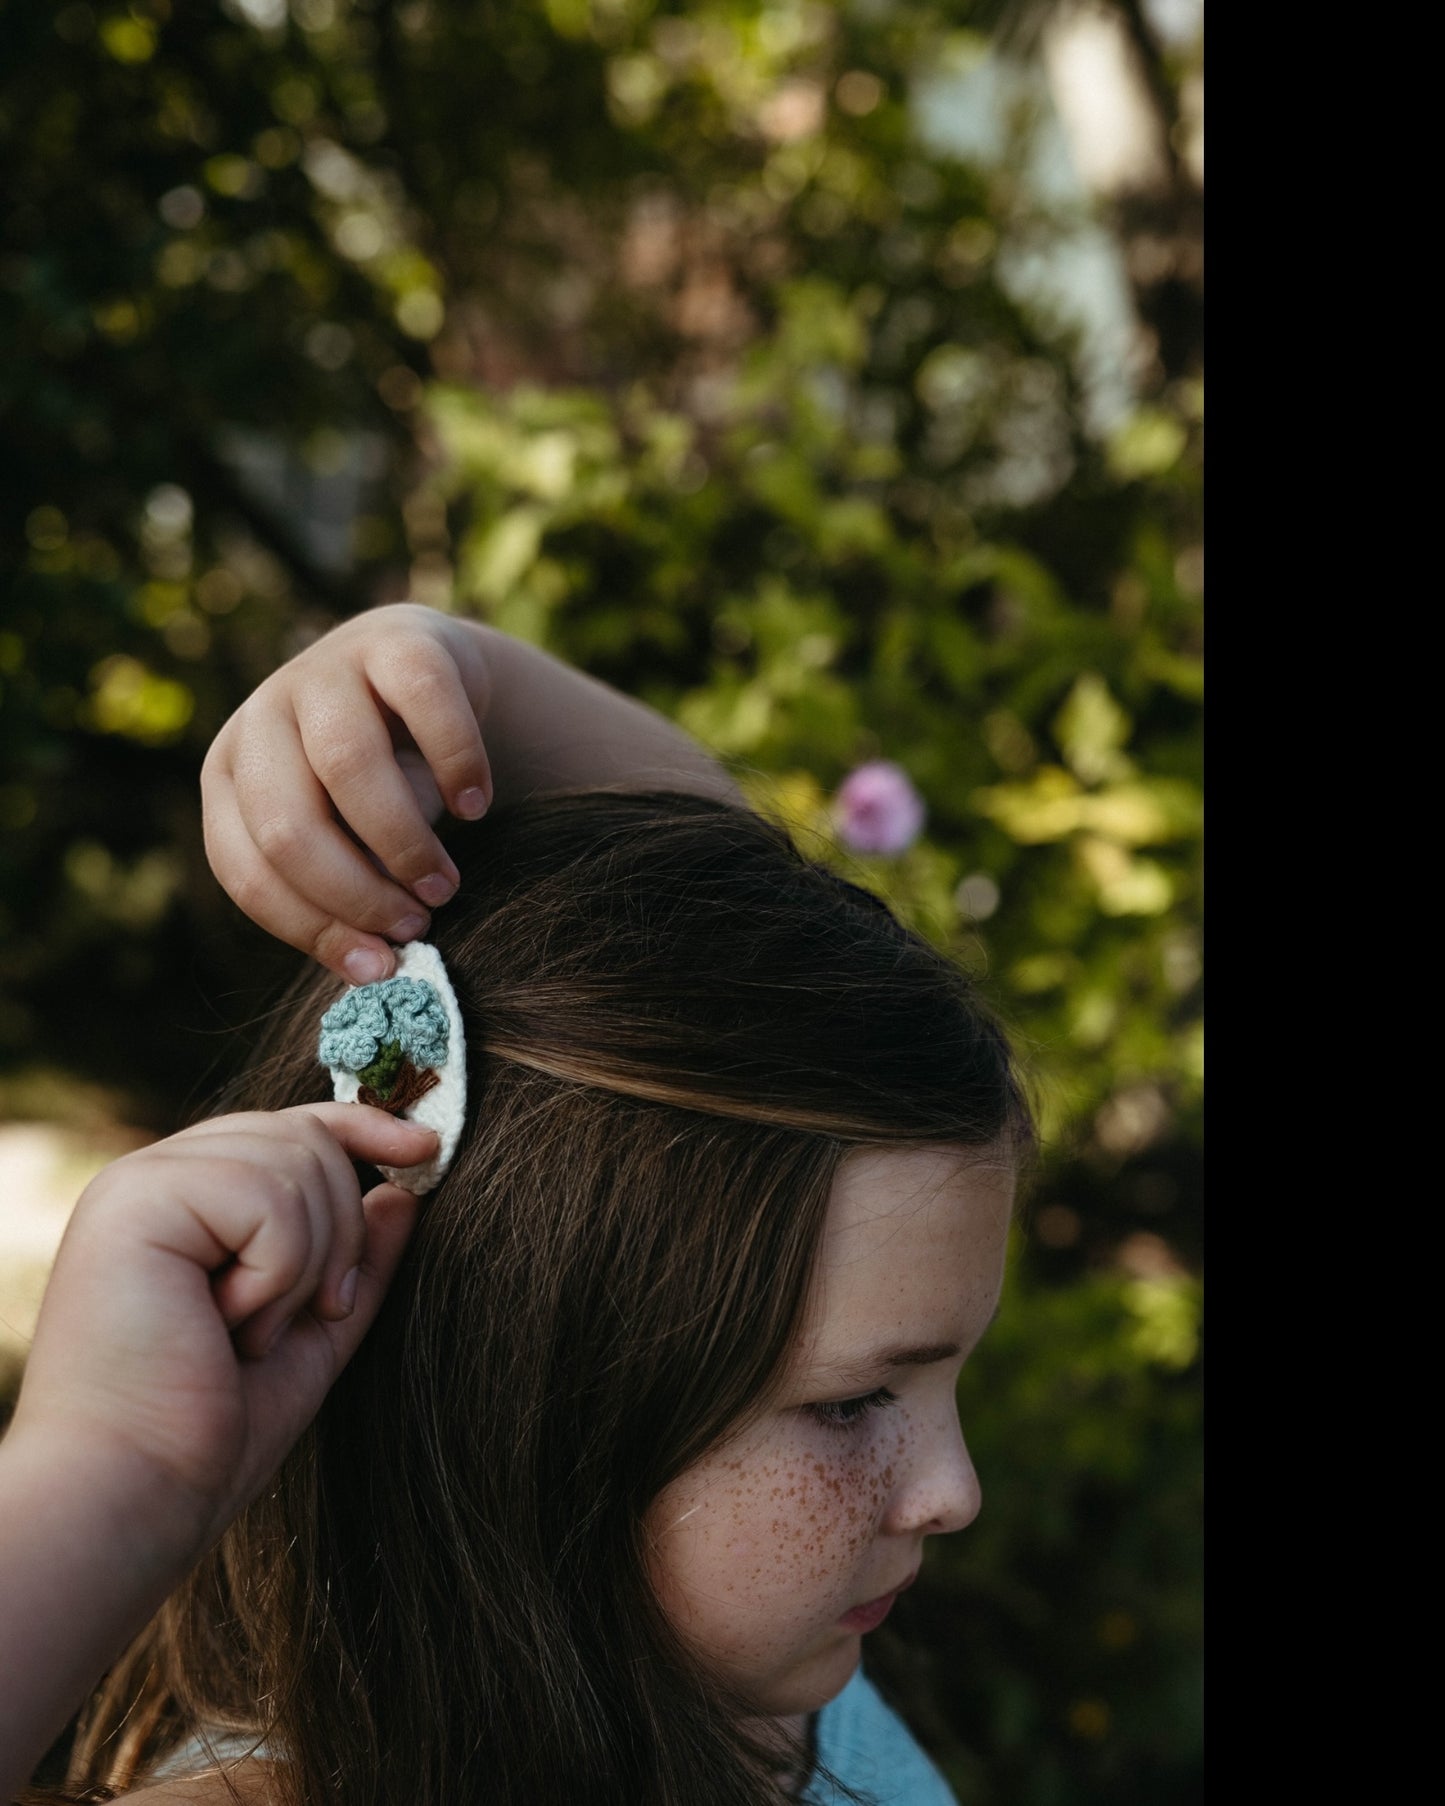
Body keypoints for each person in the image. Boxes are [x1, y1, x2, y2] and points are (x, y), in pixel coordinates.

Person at [1, 606, 1029, 1805]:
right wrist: (113, 1471)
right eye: (853, 1401)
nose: (952, 1490)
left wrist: (466, 675)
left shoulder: (749, 1687)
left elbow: (711, 907)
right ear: (522, 1383)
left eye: (940, 1378)